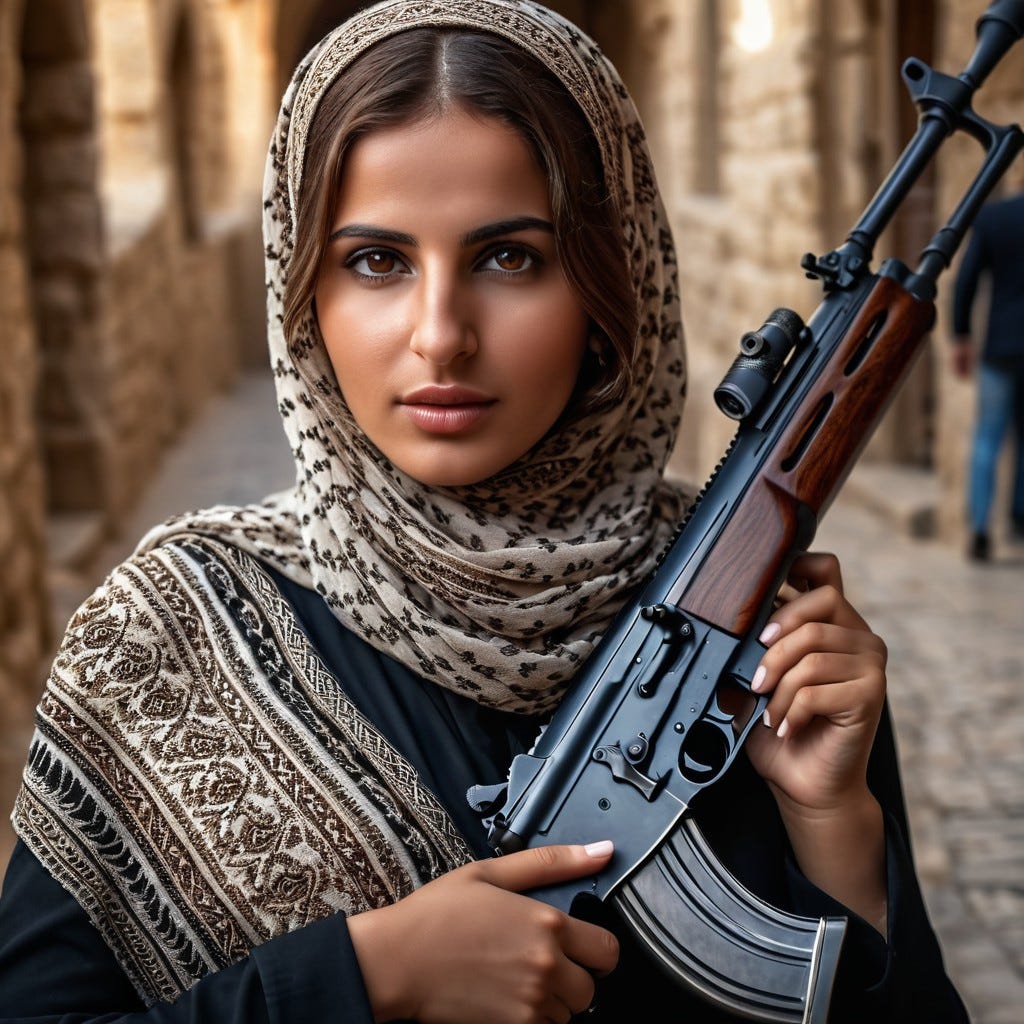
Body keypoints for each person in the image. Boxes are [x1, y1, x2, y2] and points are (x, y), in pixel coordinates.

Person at [0, 1, 969, 1021]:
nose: (440, 336)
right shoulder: (169, 630)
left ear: (611, 282)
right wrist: (368, 974)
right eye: (376, 261)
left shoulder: (751, 629)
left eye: (509, 257)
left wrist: (835, 825)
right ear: (303, 298)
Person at [951, 182, 1024, 562]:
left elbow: (966, 281)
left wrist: (960, 335)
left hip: (1001, 346)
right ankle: (1019, 517)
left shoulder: (995, 217)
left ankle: (980, 529)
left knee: (987, 439)